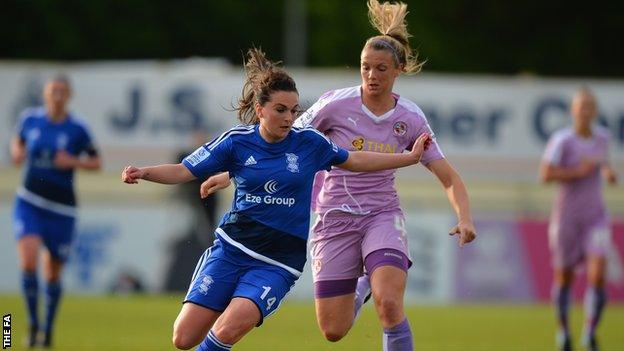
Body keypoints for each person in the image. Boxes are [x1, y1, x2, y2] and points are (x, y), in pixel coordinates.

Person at [200, 2, 476, 350]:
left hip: (381, 214)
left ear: (398, 70)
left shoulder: (411, 118)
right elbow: (280, 139)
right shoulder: (335, 105)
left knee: (389, 304)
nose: (372, 76)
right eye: (365, 68)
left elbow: (448, 176)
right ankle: (363, 285)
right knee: (333, 330)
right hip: (333, 218)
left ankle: (374, 286)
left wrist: (465, 217)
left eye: (381, 69)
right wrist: (230, 171)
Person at [121, 48, 432, 351]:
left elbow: (354, 159)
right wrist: (144, 171)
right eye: (280, 110)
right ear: (260, 110)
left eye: (293, 110)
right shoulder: (236, 142)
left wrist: (408, 158)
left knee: (229, 328)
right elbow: (184, 170)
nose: (289, 118)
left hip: (278, 261)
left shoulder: (309, 143)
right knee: (183, 338)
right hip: (232, 248)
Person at [10, 75, 102, 348]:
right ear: (46, 95)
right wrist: (16, 152)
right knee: (28, 261)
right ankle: (32, 324)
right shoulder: (30, 120)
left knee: (52, 273)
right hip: (30, 202)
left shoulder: (77, 129)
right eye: (53, 91)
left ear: (69, 96)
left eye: (62, 92)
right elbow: (18, 141)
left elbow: (96, 161)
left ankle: (47, 331)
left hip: (62, 209)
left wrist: (72, 161)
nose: (57, 96)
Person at [540, 88, 618, 351]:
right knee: (564, 277)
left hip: (595, 216)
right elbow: (545, 174)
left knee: (597, 275)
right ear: (573, 111)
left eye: (589, 107)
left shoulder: (603, 138)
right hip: (567, 218)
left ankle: (590, 331)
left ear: (594, 111)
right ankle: (564, 332)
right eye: (581, 106)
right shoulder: (562, 140)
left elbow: (603, 163)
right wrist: (577, 171)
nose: (585, 112)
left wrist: (608, 173)